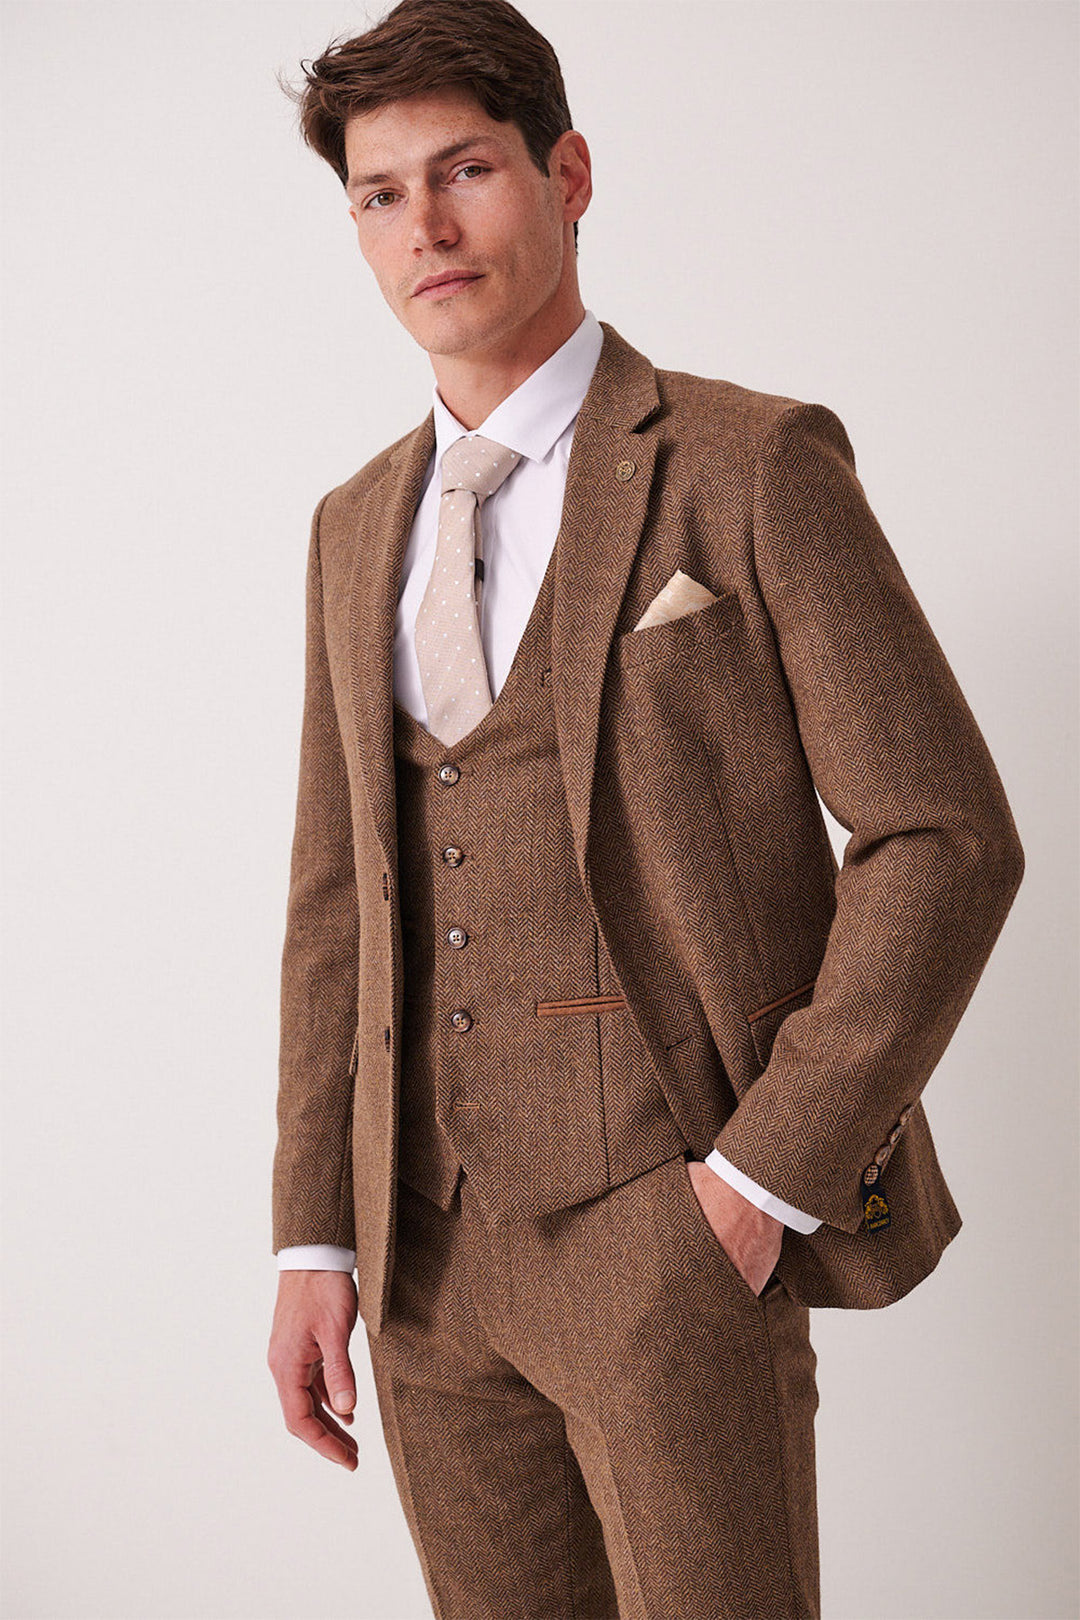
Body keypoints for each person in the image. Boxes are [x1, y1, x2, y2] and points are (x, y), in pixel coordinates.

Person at [265, 2, 1025, 1614]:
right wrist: (313, 1240)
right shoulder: (351, 530)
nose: (428, 227)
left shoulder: (748, 464)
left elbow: (944, 838)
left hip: (668, 1234)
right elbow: (341, 898)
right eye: (380, 194)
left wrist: (757, 1187)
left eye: (464, 169)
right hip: (421, 1266)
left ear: (569, 172)